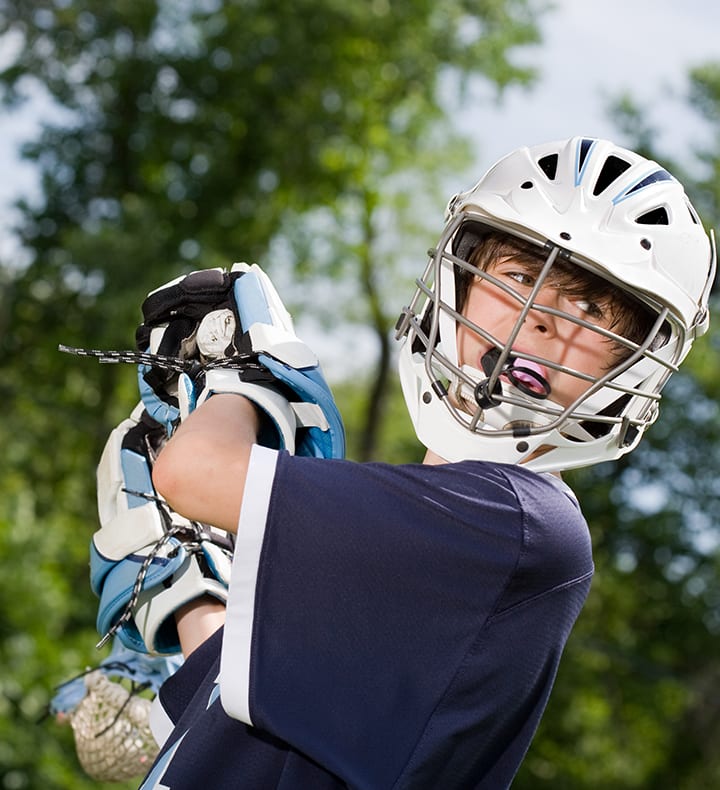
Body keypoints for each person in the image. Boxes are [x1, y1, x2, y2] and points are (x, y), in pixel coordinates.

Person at [94, 137, 715, 789]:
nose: (543, 321)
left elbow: (192, 473)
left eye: (591, 309)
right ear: (461, 278)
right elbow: (239, 707)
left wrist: (242, 375)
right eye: (521, 277)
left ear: (632, 366)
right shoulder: (412, 553)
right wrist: (193, 590)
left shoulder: (522, 524)